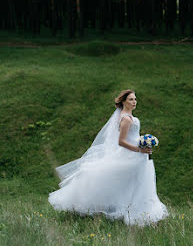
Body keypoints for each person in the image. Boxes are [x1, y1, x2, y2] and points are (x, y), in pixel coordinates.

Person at [48, 89, 168, 226]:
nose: (134, 102)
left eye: (135, 99)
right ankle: (139, 214)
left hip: (138, 154)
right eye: (131, 99)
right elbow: (121, 141)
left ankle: (140, 211)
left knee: (136, 184)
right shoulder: (126, 119)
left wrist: (141, 141)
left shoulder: (128, 117)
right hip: (133, 155)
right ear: (123, 102)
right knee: (137, 184)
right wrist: (139, 149)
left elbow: (131, 137)